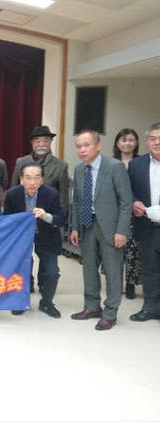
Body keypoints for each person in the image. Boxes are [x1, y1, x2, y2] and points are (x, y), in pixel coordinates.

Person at [70, 130, 132, 331]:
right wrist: (74, 227)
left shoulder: (114, 167)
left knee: (112, 271)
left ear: (98, 146)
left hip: (111, 228)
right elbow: (76, 201)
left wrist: (122, 230)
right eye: (79, 146)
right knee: (88, 268)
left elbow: (126, 201)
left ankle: (110, 312)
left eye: (86, 145)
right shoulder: (79, 169)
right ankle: (91, 306)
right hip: (87, 225)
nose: (82, 150)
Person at [4, 163, 65, 318]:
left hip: (46, 237)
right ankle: (19, 302)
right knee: (20, 270)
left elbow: (60, 219)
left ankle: (47, 303)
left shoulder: (51, 194)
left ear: (42, 180)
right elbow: (7, 220)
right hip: (21, 238)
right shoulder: (12, 194)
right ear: (21, 180)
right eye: (28, 178)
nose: (32, 182)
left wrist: (46, 216)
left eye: (36, 178)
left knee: (51, 272)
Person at [128, 123, 160, 323]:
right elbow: (128, 190)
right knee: (149, 270)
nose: (157, 142)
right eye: (152, 138)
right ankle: (150, 308)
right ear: (147, 141)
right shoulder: (136, 165)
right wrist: (133, 203)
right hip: (146, 226)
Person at [11, 125, 69, 215]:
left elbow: (63, 198)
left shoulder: (61, 166)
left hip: (48, 216)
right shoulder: (21, 162)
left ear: (50, 141)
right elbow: (13, 190)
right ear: (32, 143)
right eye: (37, 141)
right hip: (23, 215)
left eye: (45, 141)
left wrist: (60, 219)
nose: (41, 145)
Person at [112, 128, 142, 299]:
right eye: (123, 140)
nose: (127, 143)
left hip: (136, 212)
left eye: (131, 140)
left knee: (133, 249)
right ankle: (115, 282)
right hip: (115, 211)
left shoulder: (142, 162)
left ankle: (130, 283)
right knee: (115, 248)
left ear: (136, 143)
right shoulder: (110, 162)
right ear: (117, 143)